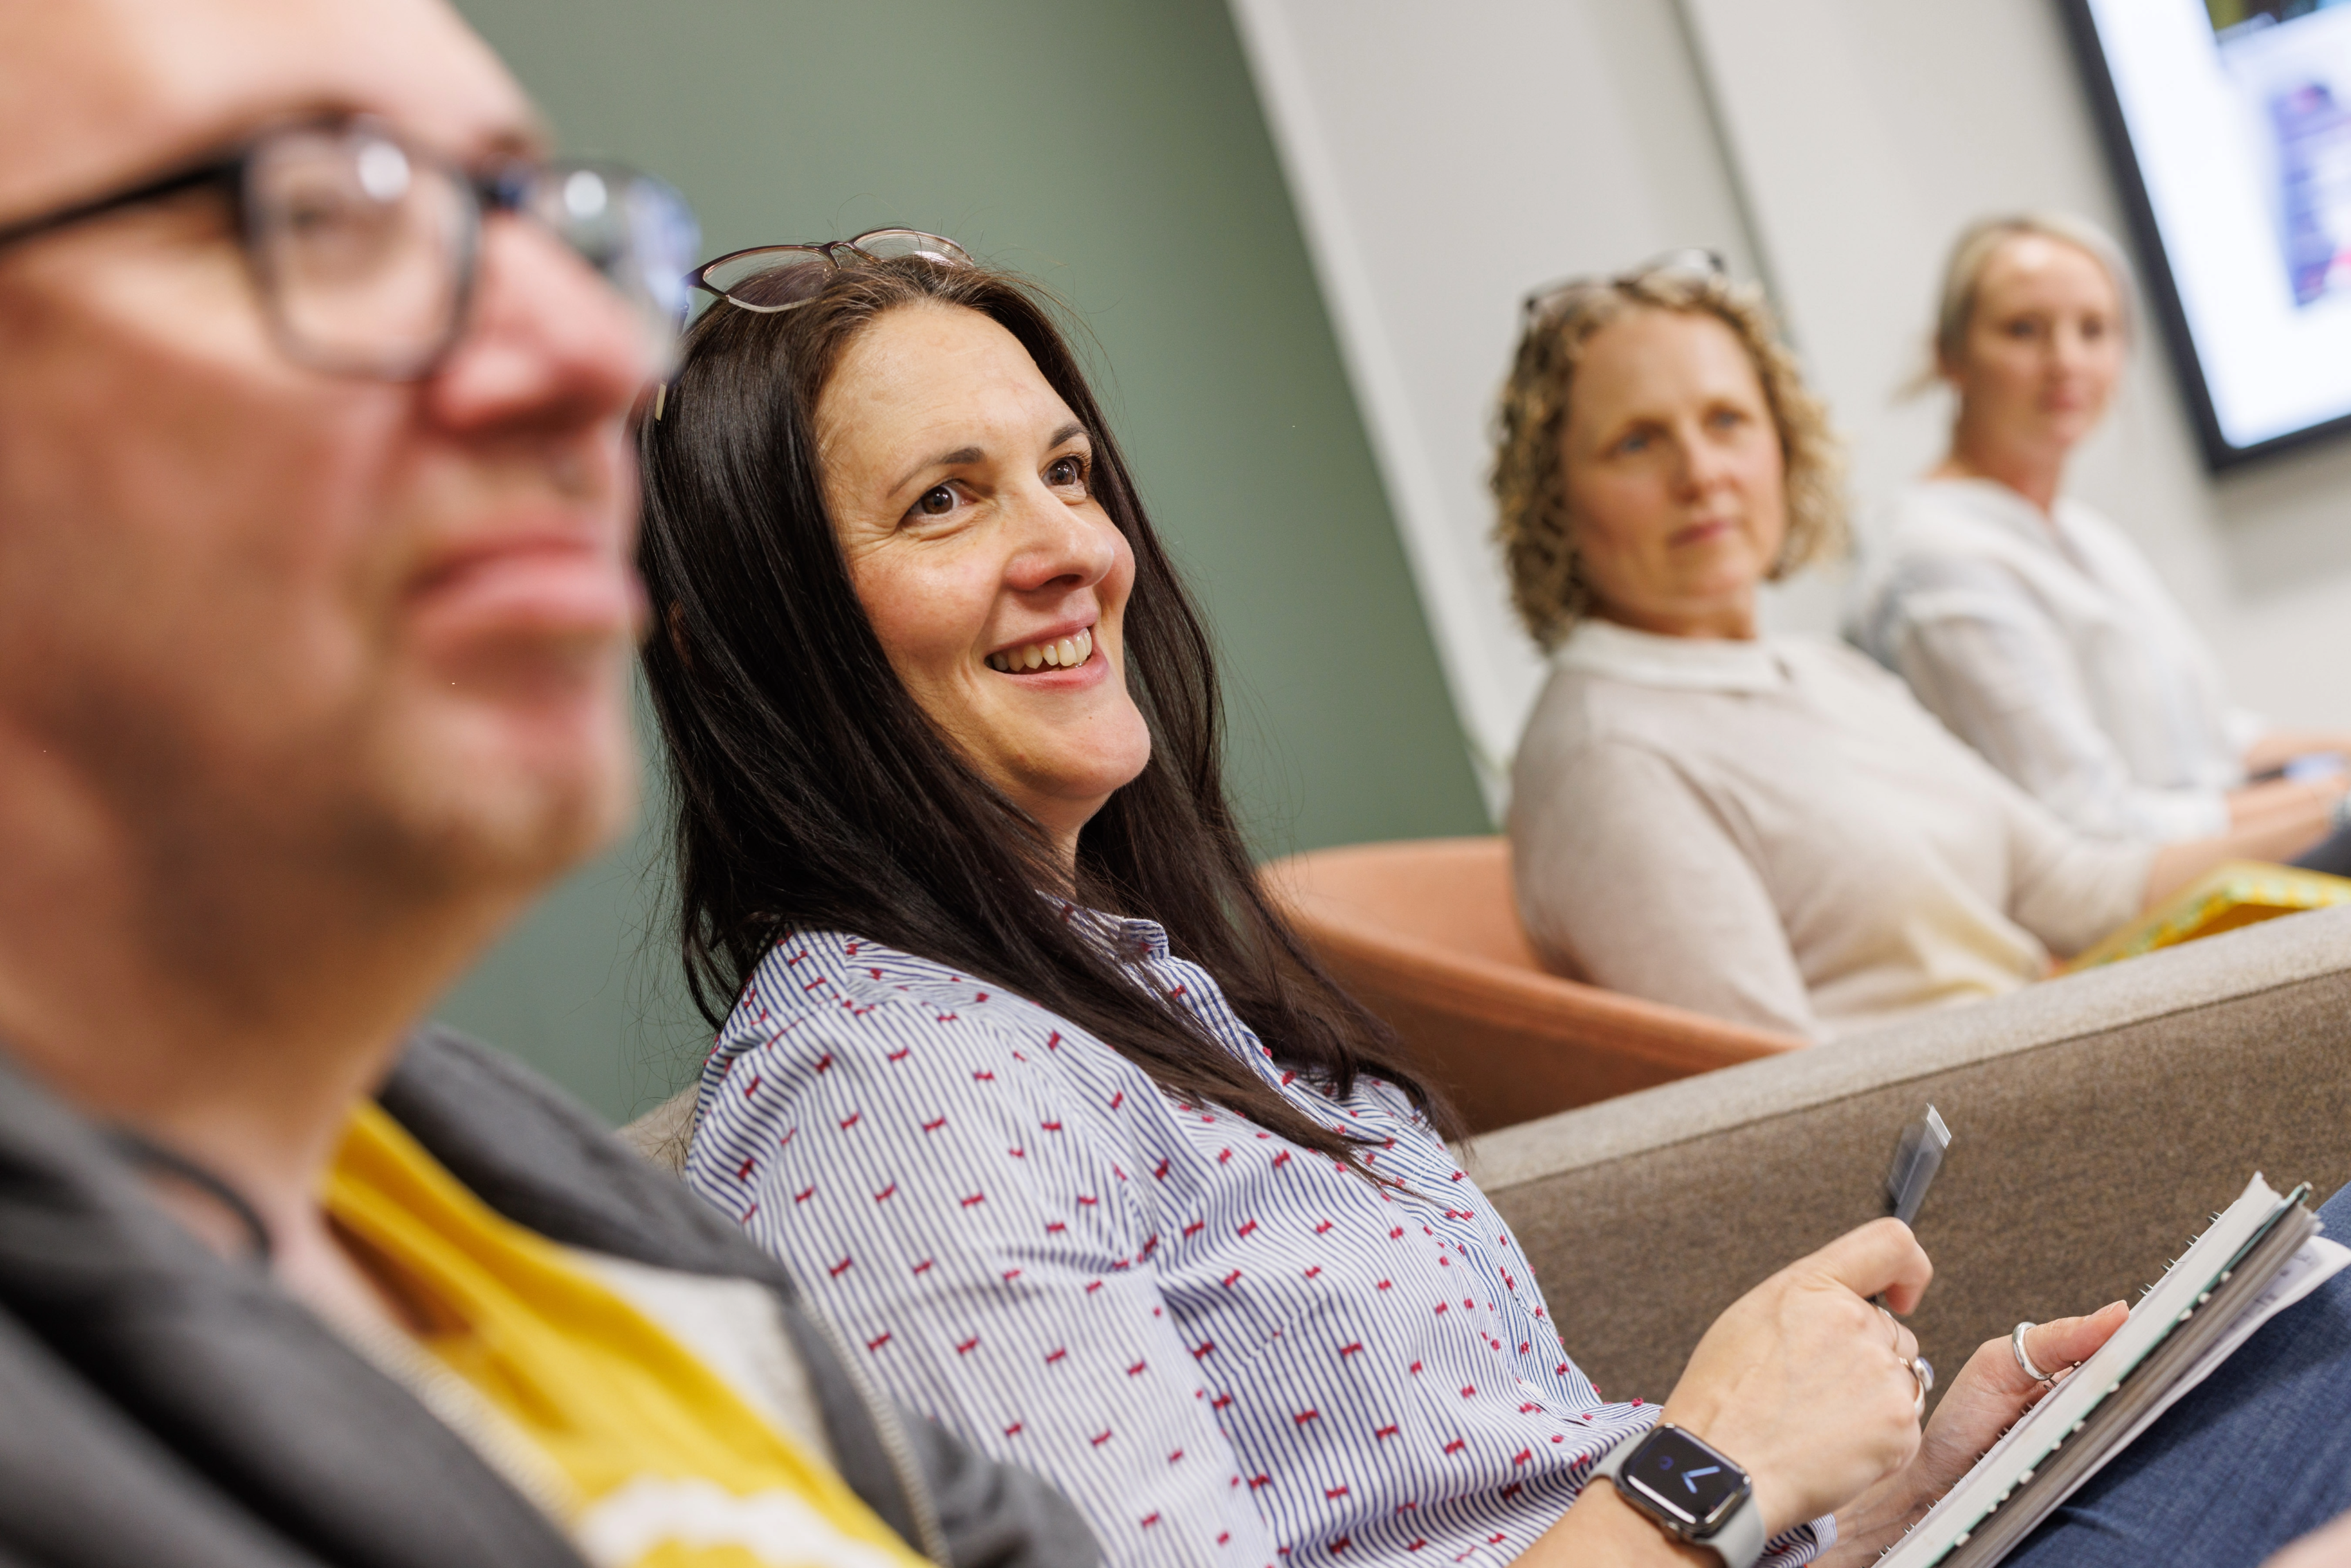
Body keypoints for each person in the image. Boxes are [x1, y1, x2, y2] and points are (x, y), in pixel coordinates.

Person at [635, 236, 2351, 1568]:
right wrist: (1708, 1463)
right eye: (946, 497)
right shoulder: (892, 1094)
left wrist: (1892, 1491)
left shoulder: (1124, 985)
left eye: (1068, 471)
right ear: (763, 641)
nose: (1072, 547)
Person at [0, 5, 1094, 1567]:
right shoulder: (876, 1089)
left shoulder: (497, 1172)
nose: (595, 356)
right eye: (325, 209)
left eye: (543, 227)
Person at [1492, 256, 2341, 1041]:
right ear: (1555, 503)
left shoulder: (1822, 673)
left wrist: (2334, 813)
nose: (1702, 472)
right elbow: (1771, 1104)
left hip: (2059, 1045)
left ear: (1782, 445)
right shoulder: (1609, 753)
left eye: (1727, 421)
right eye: (1637, 442)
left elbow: (2081, 890)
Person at [1845, 213, 2351, 864]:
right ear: (1950, 354)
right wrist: (2330, 800)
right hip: (2139, 894)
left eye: (2093, 330)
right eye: (2024, 330)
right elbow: (2093, 826)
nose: (2066, 362)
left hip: (2201, 842)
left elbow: (2208, 742)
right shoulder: (1936, 559)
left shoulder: (2084, 536)